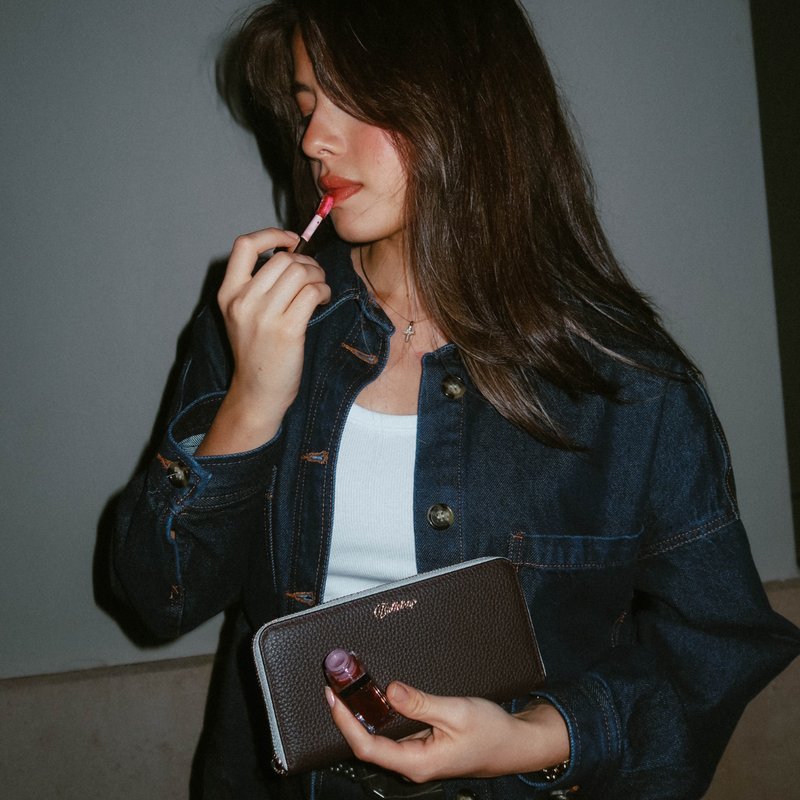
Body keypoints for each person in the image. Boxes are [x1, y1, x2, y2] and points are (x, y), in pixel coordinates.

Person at [113, 1, 800, 798]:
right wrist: (253, 401)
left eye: (357, 100)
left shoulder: (625, 378)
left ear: (469, 106)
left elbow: (720, 643)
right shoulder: (255, 322)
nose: (314, 141)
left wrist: (536, 739)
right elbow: (154, 597)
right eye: (306, 106)